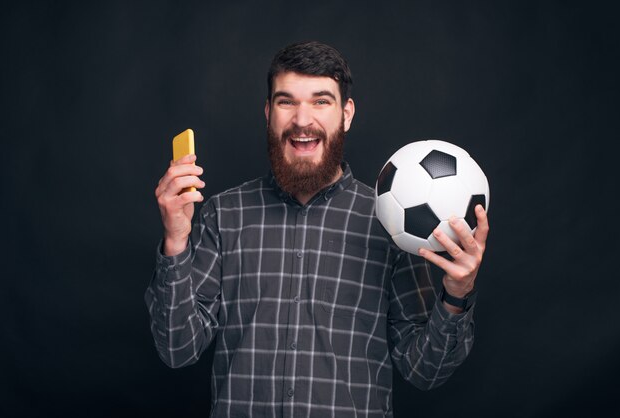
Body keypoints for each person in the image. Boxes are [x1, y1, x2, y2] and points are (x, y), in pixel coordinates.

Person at [146, 41, 489, 418]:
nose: (302, 119)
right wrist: (176, 240)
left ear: (346, 114)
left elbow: (424, 370)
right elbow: (178, 348)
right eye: (286, 101)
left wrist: (457, 296)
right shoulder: (224, 214)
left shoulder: (393, 223)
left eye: (321, 101)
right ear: (268, 113)